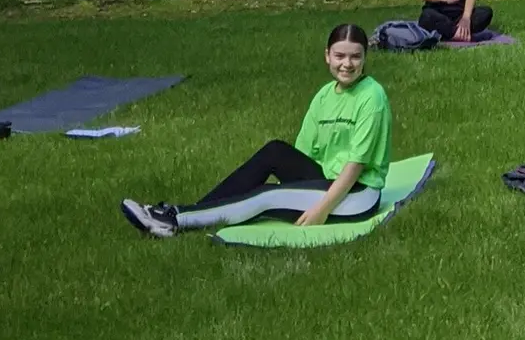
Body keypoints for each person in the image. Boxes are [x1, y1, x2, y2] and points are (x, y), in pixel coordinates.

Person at [120, 22, 392, 236]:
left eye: (355, 57)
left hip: (356, 195)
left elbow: (356, 165)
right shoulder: (324, 94)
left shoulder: (372, 96)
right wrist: (298, 188)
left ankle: (174, 221)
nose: (347, 64)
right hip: (327, 179)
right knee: (275, 150)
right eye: (340, 56)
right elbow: (303, 154)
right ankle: (195, 210)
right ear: (327, 56)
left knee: (267, 197)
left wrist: (322, 209)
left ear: (365, 57)